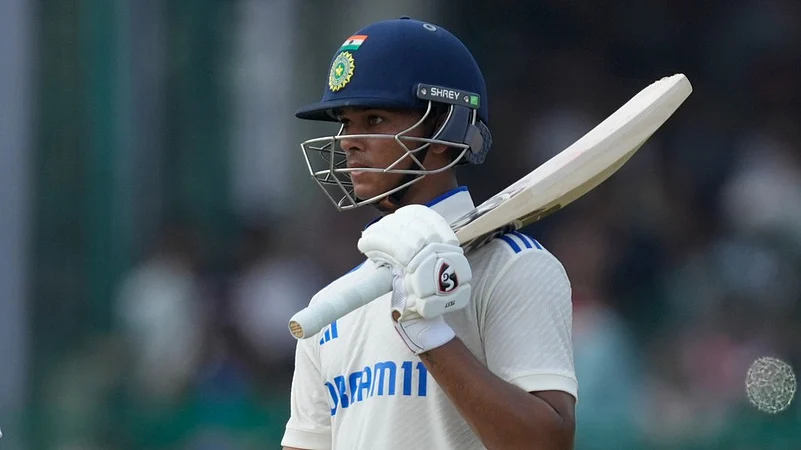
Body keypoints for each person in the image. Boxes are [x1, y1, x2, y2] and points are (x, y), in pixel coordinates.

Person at [282, 17, 577, 450]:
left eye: (375, 118)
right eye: (346, 122)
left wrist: (431, 335)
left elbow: (546, 444)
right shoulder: (333, 306)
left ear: (443, 131)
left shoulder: (514, 267)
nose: (348, 141)